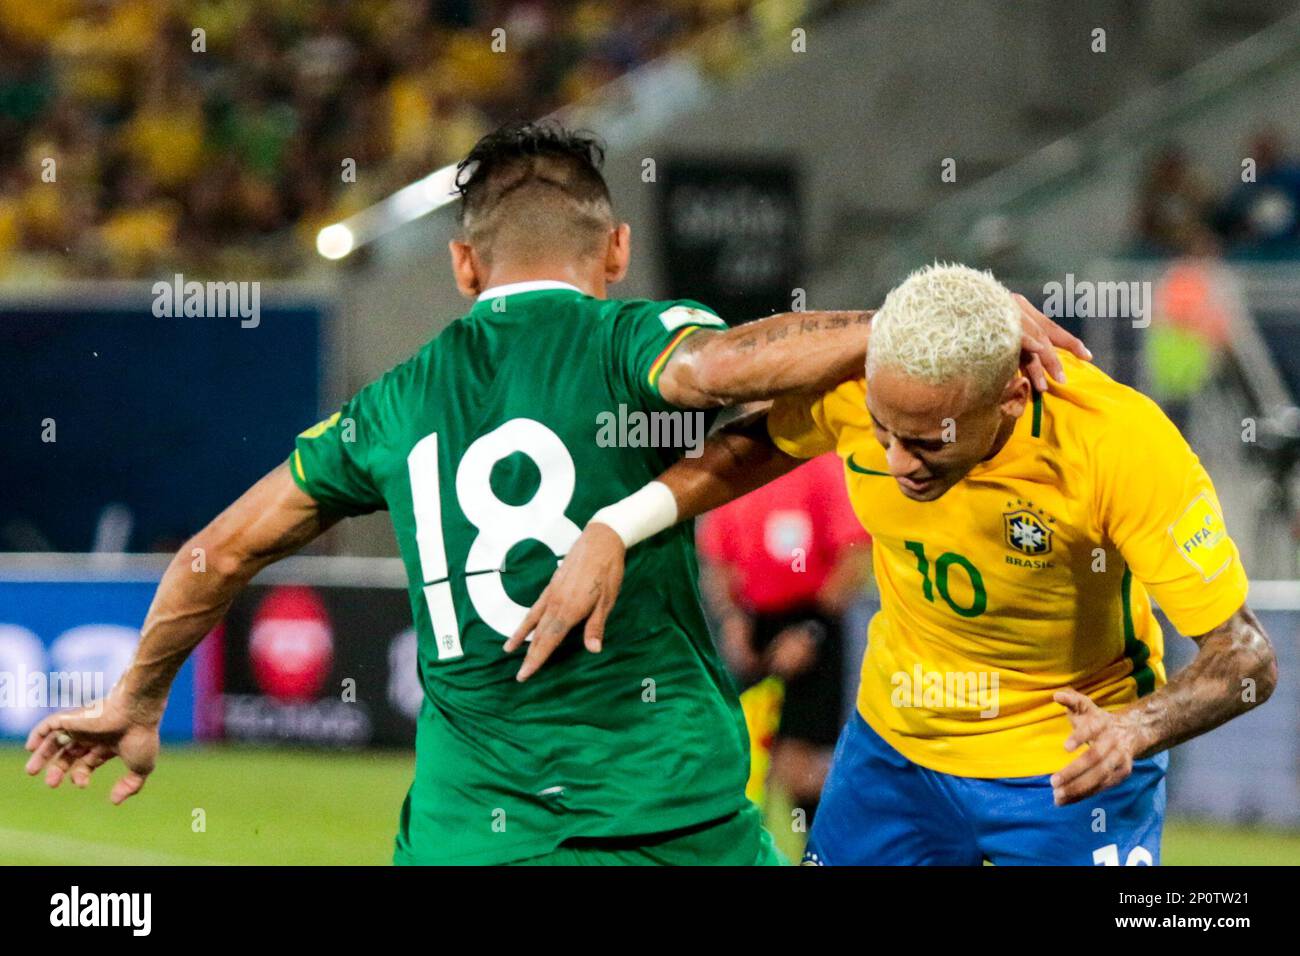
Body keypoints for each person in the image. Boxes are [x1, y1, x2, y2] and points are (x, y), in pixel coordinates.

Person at [24, 123, 1080, 865]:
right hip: (671, 822)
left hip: (470, 832)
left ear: (462, 267)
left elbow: (216, 550)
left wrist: (140, 693)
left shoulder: (386, 407)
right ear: (616, 251)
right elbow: (721, 370)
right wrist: (915, 324)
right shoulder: (622, 336)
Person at [515, 262, 1278, 866]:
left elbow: (1246, 655)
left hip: (1069, 769)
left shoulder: (1116, 445)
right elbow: (752, 444)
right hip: (897, 752)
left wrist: (1135, 729)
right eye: (884, 432)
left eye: (928, 442)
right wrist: (617, 524)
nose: (896, 461)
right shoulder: (867, 393)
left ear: (1012, 395)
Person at [697, 451, 870, 826]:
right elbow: (717, 560)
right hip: (753, 623)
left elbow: (854, 558)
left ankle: (818, 846)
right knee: (743, 754)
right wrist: (731, 621)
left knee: (802, 763)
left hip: (813, 620)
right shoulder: (736, 467)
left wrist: (811, 630)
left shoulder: (821, 466)